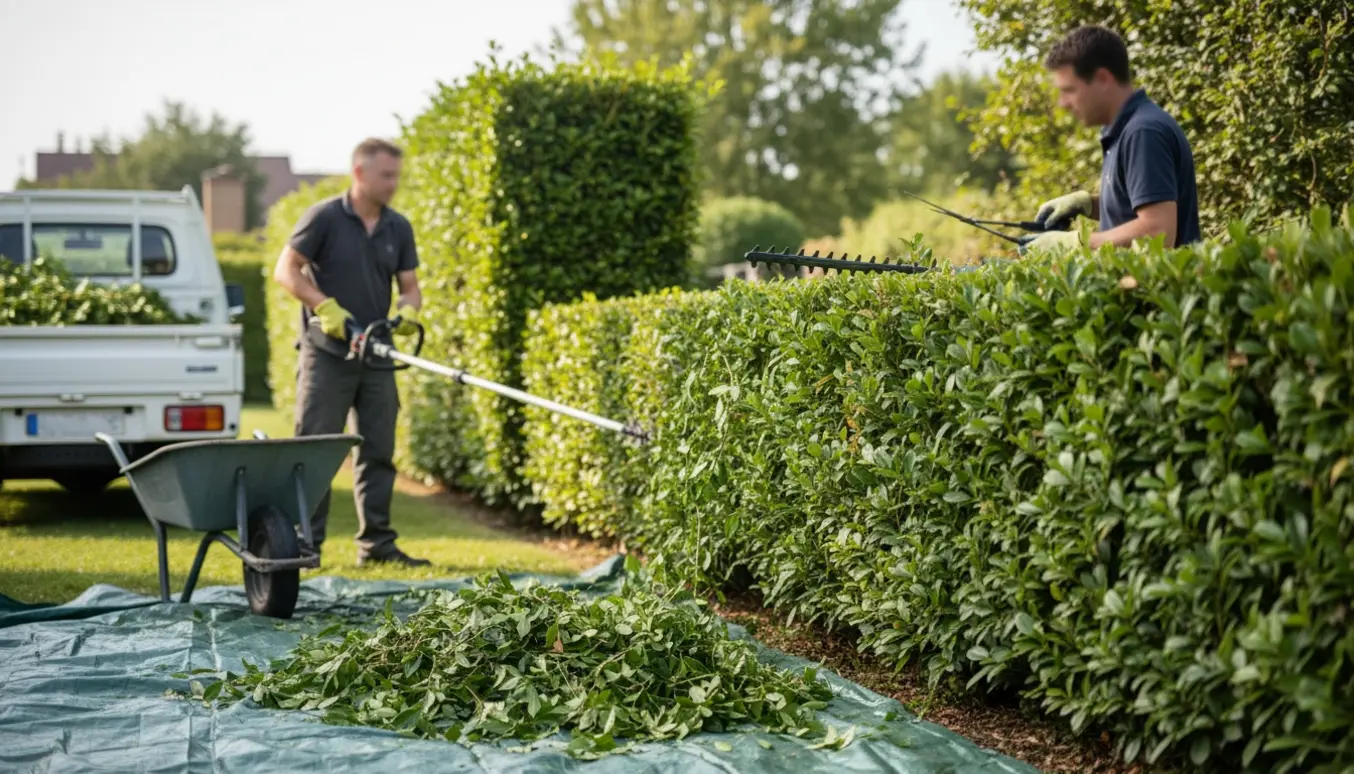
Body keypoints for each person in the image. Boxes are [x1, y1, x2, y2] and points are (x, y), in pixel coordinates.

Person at [272, 137, 430, 568]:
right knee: (316, 450)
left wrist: (409, 312)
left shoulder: (398, 227)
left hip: (376, 353)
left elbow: (409, 286)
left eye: (396, 175)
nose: (394, 183)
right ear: (359, 173)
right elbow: (286, 269)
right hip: (327, 355)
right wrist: (322, 305)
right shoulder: (324, 217)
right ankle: (305, 545)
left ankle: (376, 545)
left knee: (378, 449)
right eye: (387, 175)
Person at [1023, 25, 1201, 253]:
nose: (1063, 103)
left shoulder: (1143, 132)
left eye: (1069, 90)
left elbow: (1159, 230)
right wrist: (1088, 204)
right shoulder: (1125, 130)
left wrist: (1077, 243)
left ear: (1103, 79)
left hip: (1158, 287)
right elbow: (1135, 211)